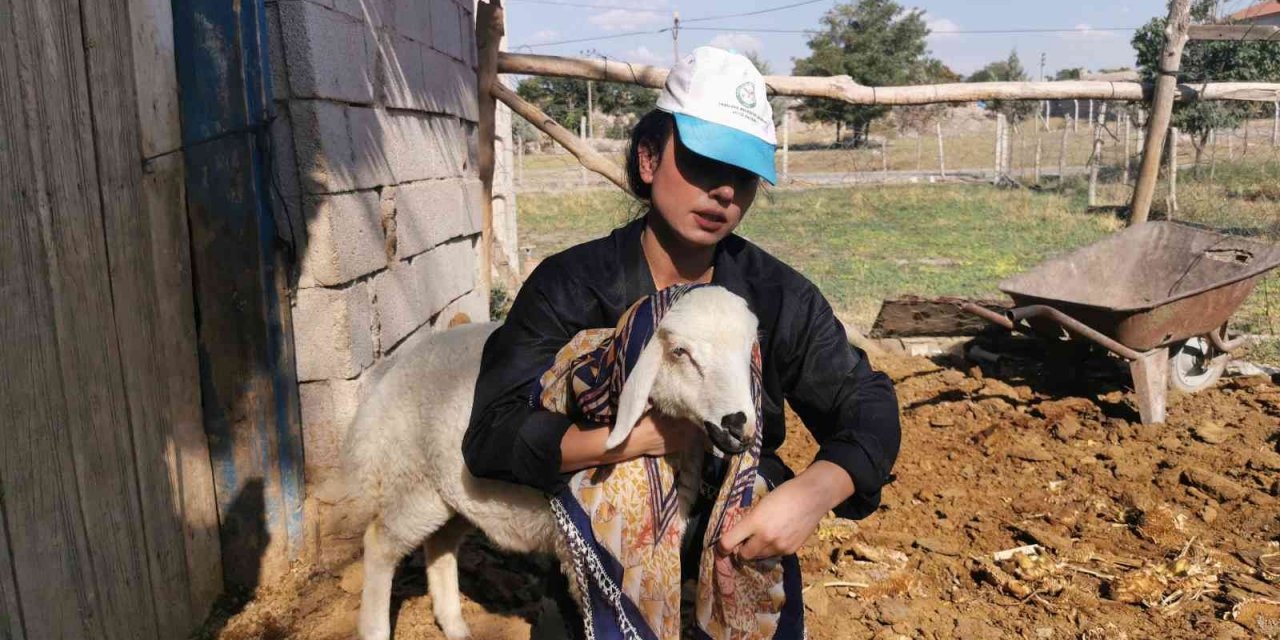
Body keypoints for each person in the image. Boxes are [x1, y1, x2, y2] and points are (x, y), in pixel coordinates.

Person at [463, 46, 901, 638]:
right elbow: (493, 433)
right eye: (702, 163)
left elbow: (865, 402)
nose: (724, 191)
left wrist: (814, 491)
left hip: (736, 554)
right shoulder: (572, 286)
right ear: (648, 159)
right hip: (598, 571)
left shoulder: (774, 296)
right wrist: (632, 440)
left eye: (742, 174)